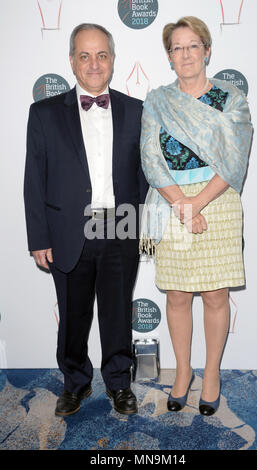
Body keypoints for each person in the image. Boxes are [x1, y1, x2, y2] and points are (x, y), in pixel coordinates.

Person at [24, 23, 148, 417]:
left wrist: (137, 219)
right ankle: (74, 384)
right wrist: (39, 237)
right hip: (67, 231)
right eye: (84, 55)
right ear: (72, 61)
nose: (93, 64)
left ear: (112, 60)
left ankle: (118, 383)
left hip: (119, 225)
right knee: (73, 317)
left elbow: (146, 174)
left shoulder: (136, 110)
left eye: (102, 55)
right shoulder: (43, 113)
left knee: (117, 313)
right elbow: (34, 179)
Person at [140, 16, 253, 416]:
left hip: (217, 201)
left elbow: (235, 161)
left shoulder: (231, 101)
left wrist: (198, 204)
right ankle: (184, 371)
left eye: (193, 46)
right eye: (176, 48)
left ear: (206, 50)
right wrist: (182, 205)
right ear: (169, 57)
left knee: (216, 294)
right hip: (171, 202)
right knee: (176, 293)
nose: (185, 54)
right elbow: (151, 160)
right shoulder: (157, 100)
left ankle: (211, 374)